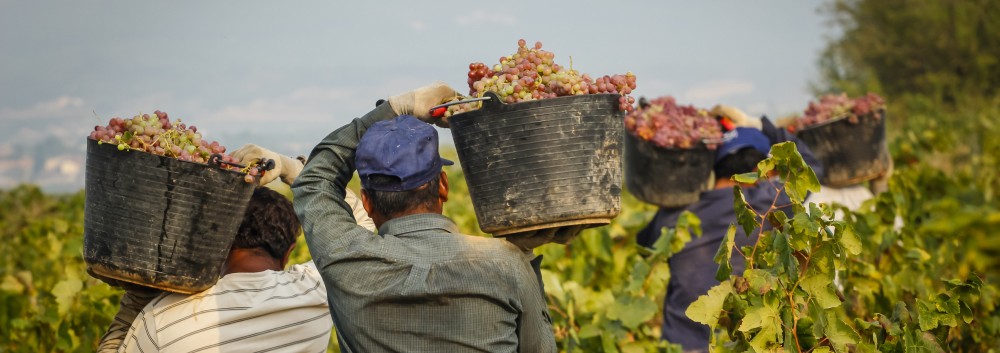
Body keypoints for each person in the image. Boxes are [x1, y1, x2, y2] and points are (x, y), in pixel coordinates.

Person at [236, 82, 558, 353]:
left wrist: (397, 107)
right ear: (443, 186)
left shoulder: (345, 260)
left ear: (366, 202)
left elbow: (316, 179)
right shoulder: (507, 264)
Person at [97, 185, 376, 352]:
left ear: (218, 245)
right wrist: (299, 171)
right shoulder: (317, 291)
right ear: (289, 252)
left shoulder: (161, 317)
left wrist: (136, 299)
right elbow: (364, 230)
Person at [636, 106, 824, 353]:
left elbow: (644, 246)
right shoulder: (768, 202)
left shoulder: (676, 213)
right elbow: (812, 168)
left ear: (713, 169)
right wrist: (759, 124)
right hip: (744, 346)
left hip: (681, 346)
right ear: (763, 170)